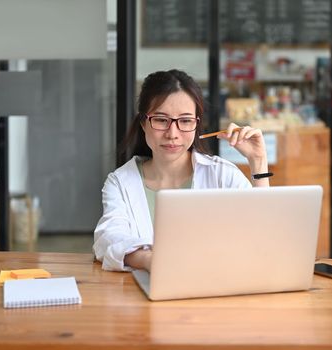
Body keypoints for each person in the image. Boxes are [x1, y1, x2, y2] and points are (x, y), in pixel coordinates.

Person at [93, 69, 270, 272]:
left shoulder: (222, 175)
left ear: (196, 124)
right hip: (146, 294)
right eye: (161, 120)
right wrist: (150, 261)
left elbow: (262, 239)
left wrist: (258, 162)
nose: (173, 134)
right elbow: (108, 239)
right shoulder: (120, 182)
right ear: (143, 123)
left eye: (185, 121)